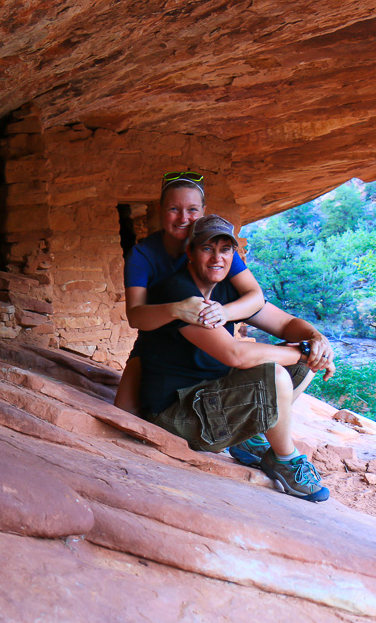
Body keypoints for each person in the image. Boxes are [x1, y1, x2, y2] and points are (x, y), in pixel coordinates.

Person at [139, 214, 336, 502]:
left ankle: (248, 439)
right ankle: (284, 460)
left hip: (208, 395)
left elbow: (284, 324)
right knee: (280, 372)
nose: (217, 258)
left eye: (225, 249)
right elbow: (235, 354)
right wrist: (301, 351)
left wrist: (316, 339)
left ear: (235, 253)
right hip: (176, 412)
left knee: (305, 362)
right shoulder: (181, 293)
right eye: (207, 248)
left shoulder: (227, 288)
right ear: (190, 253)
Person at [114, 171, 264, 415]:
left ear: (203, 211)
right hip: (158, 345)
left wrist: (224, 311)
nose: (184, 218)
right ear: (161, 210)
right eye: (174, 209)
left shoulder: (215, 249)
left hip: (208, 340)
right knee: (125, 416)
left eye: (192, 210)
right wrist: (175, 309)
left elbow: (255, 295)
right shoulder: (144, 255)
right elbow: (136, 316)